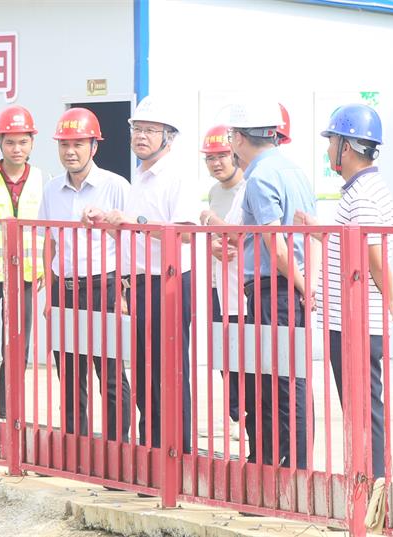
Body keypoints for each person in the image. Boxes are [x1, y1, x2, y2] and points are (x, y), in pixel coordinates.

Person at [86, 95, 199, 453]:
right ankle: (151, 449)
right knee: (144, 371)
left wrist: (133, 221)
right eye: (137, 129)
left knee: (169, 371)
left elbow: (183, 232)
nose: (141, 136)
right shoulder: (141, 177)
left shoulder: (177, 177)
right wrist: (108, 223)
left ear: (169, 138)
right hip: (139, 283)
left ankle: (177, 452)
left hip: (168, 282)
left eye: (151, 130)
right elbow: (136, 232)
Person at [296, 103, 393, 479]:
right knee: (359, 408)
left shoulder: (364, 194)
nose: (328, 149)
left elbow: (373, 255)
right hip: (351, 319)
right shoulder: (361, 190)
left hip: (357, 322)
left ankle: (374, 484)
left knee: (363, 409)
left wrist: (389, 296)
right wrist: (319, 228)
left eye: (332, 141)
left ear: (348, 146)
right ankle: (368, 480)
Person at [227, 97, 319, 469]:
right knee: (291, 378)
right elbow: (311, 235)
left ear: (238, 138)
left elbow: (276, 247)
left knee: (280, 381)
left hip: (275, 289)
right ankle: (292, 464)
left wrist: (302, 286)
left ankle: (292, 467)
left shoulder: (260, 177)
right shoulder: (295, 172)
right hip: (291, 286)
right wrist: (308, 283)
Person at [38, 107, 131, 439]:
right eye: (64, 144)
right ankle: (75, 445)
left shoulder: (115, 186)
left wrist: (123, 294)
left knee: (109, 372)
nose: (70, 151)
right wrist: (50, 296)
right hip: (64, 289)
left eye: (78, 144)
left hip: (104, 287)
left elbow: (130, 242)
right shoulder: (51, 190)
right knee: (69, 371)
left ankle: (116, 446)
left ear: (94, 146)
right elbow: (49, 242)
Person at [0, 105, 48, 419]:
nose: (16, 149)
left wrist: (45, 267)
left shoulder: (43, 179)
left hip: (25, 277)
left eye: (23, 142)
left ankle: (7, 413)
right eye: (10, 142)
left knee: (17, 347)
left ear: (32, 142)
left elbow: (48, 228)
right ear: (0, 143)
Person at [198, 124, 245, 439]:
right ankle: (233, 414)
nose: (216, 163)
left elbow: (240, 236)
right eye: (210, 158)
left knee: (245, 356)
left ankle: (247, 416)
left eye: (222, 156)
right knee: (224, 355)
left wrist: (210, 220)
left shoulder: (247, 189)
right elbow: (216, 238)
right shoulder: (215, 192)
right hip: (219, 286)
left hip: (243, 289)